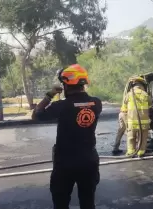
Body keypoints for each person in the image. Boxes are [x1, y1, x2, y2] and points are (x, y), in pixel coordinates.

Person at [32, 64, 102, 209]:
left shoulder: (61, 106)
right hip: (89, 161)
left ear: (66, 84)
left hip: (65, 163)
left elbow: (36, 115)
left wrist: (49, 95)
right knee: (88, 202)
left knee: (61, 202)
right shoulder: (97, 103)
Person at [123, 76, 152, 157]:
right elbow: (150, 105)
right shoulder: (145, 95)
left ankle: (131, 152)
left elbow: (124, 107)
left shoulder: (129, 94)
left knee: (131, 138)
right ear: (142, 85)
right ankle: (141, 152)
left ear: (133, 85)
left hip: (132, 122)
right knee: (142, 138)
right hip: (144, 123)